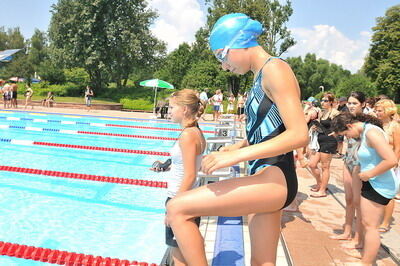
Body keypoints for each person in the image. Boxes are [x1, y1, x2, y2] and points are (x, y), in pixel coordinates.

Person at [165, 13, 308, 265]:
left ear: (239, 42)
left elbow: (299, 134)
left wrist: (236, 155)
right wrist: (239, 144)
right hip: (264, 175)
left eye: (222, 55)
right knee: (262, 262)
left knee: (177, 208)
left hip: (275, 176)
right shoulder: (260, 75)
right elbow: (270, 129)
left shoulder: (276, 69)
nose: (223, 65)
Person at [331, 113, 398, 264]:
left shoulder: (372, 133)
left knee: (370, 226)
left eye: (346, 134)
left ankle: (367, 262)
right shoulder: (367, 131)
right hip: (374, 182)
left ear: (350, 126)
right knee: (367, 224)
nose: (348, 137)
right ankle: (366, 255)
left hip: (379, 184)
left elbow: (392, 160)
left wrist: (369, 174)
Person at [151, 89, 205, 265]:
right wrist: (167, 165)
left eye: (172, 107)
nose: (169, 110)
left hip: (180, 199)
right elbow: (187, 166)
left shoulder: (188, 135)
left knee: (178, 256)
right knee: (182, 253)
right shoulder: (195, 131)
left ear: (184, 110)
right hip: (188, 198)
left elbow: (190, 175)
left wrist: (174, 206)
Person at [330, 92, 365, 251]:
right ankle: (346, 231)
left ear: (362, 104)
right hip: (348, 161)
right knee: (349, 199)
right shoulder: (346, 119)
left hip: (360, 165)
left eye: (354, 103)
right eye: (349, 103)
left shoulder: (365, 122)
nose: (351, 106)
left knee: (359, 203)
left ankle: (358, 238)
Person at [374, 99, 400, 233]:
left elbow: (398, 148)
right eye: (376, 110)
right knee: (376, 191)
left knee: (388, 194)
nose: (377, 113)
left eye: (380, 110)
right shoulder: (377, 124)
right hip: (377, 162)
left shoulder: (395, 126)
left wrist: (393, 163)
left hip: (389, 164)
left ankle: (385, 222)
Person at [308, 92, 340, 197]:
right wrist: (316, 127)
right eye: (322, 100)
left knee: (325, 167)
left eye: (325, 100)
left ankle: (322, 190)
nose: (322, 102)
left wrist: (336, 132)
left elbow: (344, 123)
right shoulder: (323, 112)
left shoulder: (335, 112)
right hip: (320, 140)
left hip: (329, 142)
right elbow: (325, 126)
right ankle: (320, 184)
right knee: (312, 164)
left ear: (331, 102)